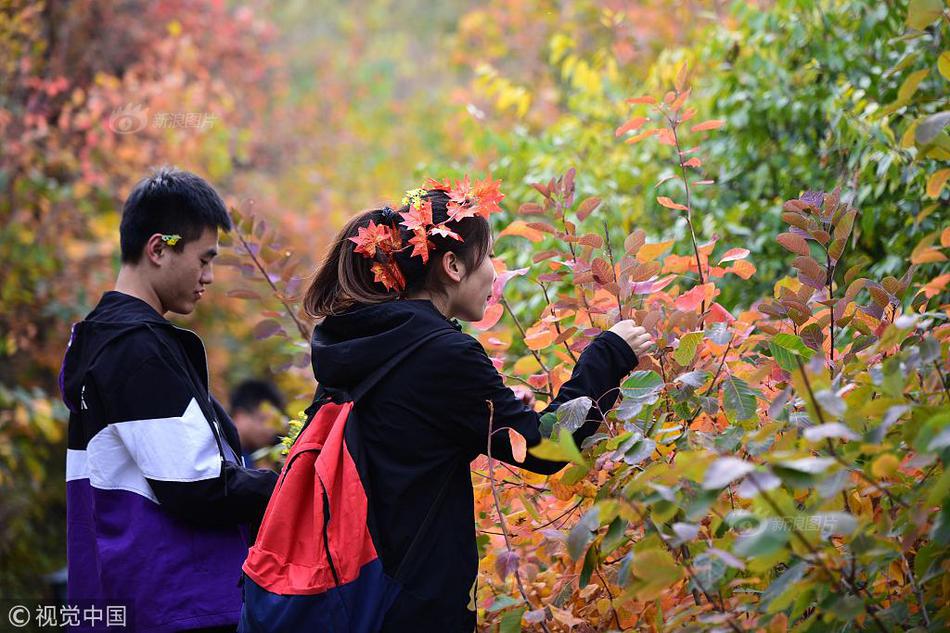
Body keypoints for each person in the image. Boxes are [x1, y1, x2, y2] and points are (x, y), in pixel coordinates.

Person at [273, 178, 653, 631]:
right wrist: (609, 353)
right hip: (415, 605)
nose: (494, 270)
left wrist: (494, 408)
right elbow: (545, 448)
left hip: (362, 591)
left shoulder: (362, 344)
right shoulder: (441, 353)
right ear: (453, 266)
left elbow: (404, 441)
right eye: (487, 255)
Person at [60, 167, 279, 633]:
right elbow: (196, 487)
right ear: (159, 249)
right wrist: (292, 482)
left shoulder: (108, 341)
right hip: (171, 603)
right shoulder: (134, 349)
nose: (210, 276)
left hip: (140, 596)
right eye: (204, 260)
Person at [229, 379, 285, 468]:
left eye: (274, 423)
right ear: (240, 416)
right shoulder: (221, 454)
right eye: (263, 419)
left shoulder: (253, 456)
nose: (271, 429)